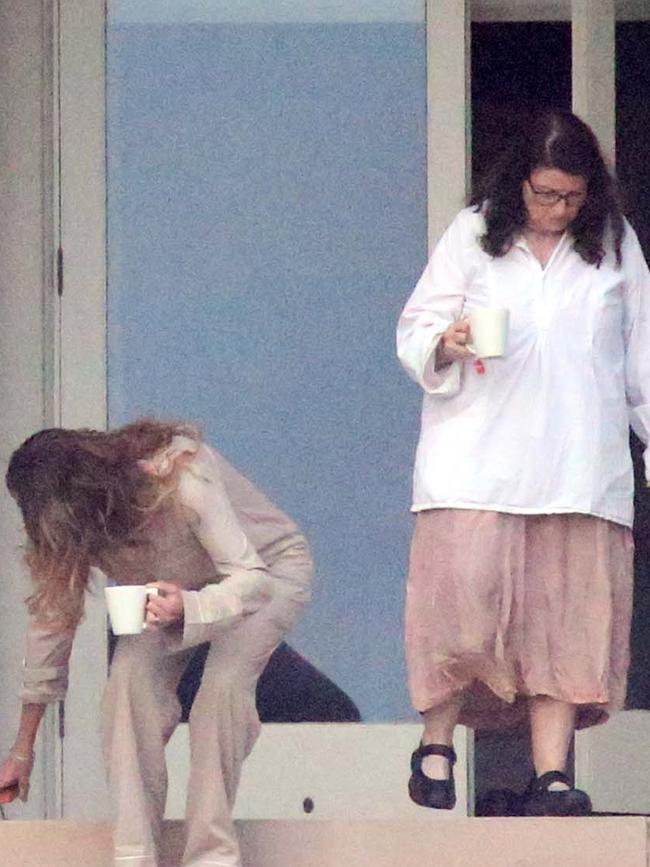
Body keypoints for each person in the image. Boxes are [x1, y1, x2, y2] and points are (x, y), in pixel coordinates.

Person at [396, 110, 650, 816]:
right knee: (461, 614)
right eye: (544, 194)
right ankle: (437, 745)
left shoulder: (612, 244)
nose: (556, 209)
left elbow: (644, 362)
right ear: (519, 185)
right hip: (475, 465)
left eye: (570, 197)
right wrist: (445, 342)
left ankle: (551, 773)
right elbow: (413, 331)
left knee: (564, 624)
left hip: (577, 469)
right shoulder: (475, 235)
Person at [0, 419, 312, 866]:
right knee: (127, 687)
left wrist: (191, 607)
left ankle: (212, 855)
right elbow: (54, 622)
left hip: (265, 571)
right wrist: (22, 749)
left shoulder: (179, 476)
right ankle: (134, 855)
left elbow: (252, 580)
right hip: (174, 591)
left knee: (220, 691)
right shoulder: (77, 526)